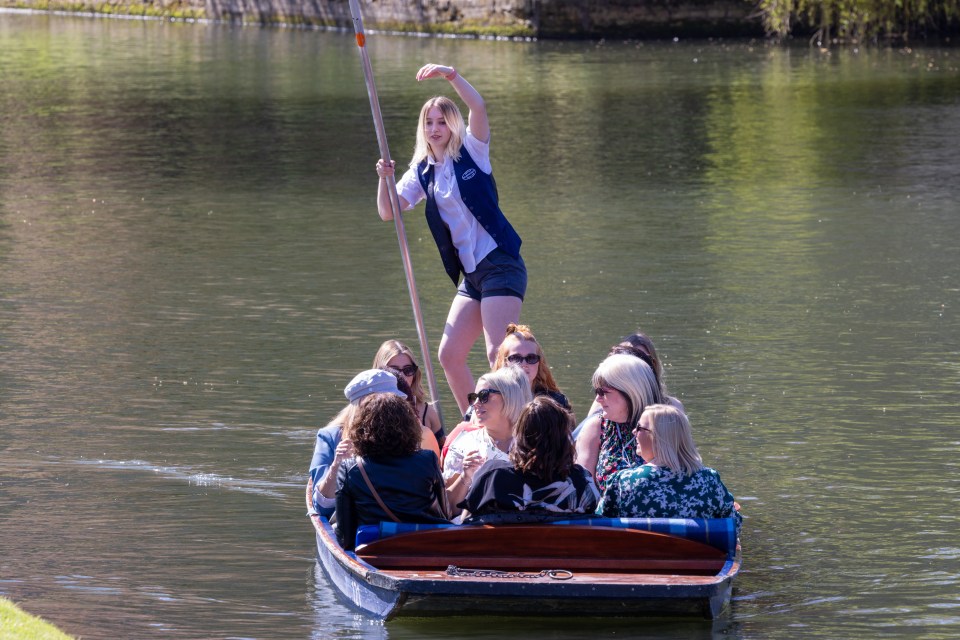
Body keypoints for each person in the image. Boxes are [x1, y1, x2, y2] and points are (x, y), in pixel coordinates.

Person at [375, 63, 526, 417]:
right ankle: (474, 423)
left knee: (497, 354)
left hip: (500, 262)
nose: (435, 128)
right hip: (471, 275)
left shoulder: (472, 151)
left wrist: (451, 75)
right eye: (429, 122)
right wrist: (384, 178)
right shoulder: (422, 170)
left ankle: (513, 424)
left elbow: (479, 107)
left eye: (442, 121)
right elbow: (388, 211)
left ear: (454, 124)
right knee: (449, 355)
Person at [308, 369, 438, 517]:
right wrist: (336, 465)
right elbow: (321, 507)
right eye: (380, 404)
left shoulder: (408, 434)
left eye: (394, 402)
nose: (389, 410)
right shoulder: (331, 437)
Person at [596, 404, 741, 531]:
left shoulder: (623, 481)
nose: (634, 431)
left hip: (638, 557)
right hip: (696, 558)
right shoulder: (709, 480)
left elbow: (599, 524)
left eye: (639, 427)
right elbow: (734, 524)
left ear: (657, 436)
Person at [335, 393, 449, 550]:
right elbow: (445, 512)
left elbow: (344, 538)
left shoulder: (350, 468)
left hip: (375, 550)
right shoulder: (427, 459)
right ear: (409, 427)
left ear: (360, 428)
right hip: (425, 547)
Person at [459, 397, 599, 521]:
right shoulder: (581, 481)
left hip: (503, 550)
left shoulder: (493, 477)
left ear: (520, 436)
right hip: (563, 550)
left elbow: (466, 525)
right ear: (563, 440)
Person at [442, 366, 532, 513]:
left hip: (527, 526)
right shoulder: (464, 444)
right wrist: (465, 477)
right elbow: (449, 510)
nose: (475, 403)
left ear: (508, 397)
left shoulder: (534, 442)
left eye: (484, 396)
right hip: (478, 529)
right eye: (473, 398)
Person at [574, 354, 662, 493]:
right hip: (609, 513)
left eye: (603, 392)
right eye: (597, 391)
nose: (598, 399)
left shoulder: (665, 425)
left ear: (630, 392)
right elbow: (583, 488)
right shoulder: (596, 427)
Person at [573, 331, 682, 440]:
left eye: (640, 358)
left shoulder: (670, 408)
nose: (631, 367)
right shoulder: (601, 405)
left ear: (653, 364)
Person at [372, 339, 445, 449]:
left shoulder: (428, 413)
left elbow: (442, 456)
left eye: (408, 370)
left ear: (415, 374)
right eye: (394, 370)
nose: (401, 376)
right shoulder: (366, 409)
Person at [492, 323, 572, 414]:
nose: (524, 364)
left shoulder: (557, 403)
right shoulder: (488, 399)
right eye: (516, 358)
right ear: (504, 362)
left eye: (531, 358)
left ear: (539, 363)